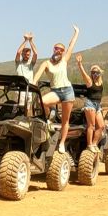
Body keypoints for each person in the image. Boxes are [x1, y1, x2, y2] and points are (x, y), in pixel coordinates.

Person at [33, 25, 80, 154]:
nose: (58, 50)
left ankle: (62, 143)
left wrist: (76, 33)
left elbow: (71, 45)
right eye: (56, 48)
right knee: (41, 101)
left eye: (61, 49)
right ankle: (50, 115)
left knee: (65, 120)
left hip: (67, 92)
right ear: (53, 49)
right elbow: (36, 77)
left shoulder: (64, 60)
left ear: (63, 52)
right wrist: (32, 83)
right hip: (56, 92)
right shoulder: (46, 63)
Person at [76, 54, 105, 152]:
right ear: (91, 73)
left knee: (101, 126)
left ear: (99, 73)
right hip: (90, 104)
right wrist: (80, 65)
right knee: (91, 125)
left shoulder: (100, 82)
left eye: (97, 72)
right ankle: (89, 145)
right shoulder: (89, 81)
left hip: (98, 106)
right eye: (93, 72)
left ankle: (94, 144)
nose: (95, 74)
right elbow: (83, 74)